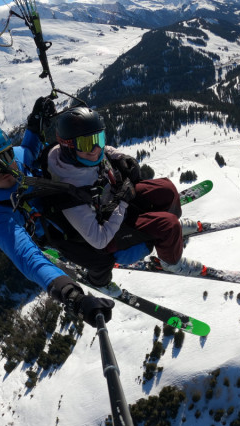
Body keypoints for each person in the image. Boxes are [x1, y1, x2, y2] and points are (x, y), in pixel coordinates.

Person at [0, 98, 114, 327]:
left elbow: (28, 150)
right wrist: (72, 296)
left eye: (7, 155)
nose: (7, 166)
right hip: (53, 235)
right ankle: (99, 276)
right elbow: (26, 256)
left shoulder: (16, 159)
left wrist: (35, 122)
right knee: (102, 255)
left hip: (59, 207)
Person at [43, 105, 203, 293]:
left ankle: (170, 235)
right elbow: (99, 239)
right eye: (87, 144)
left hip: (116, 203)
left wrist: (120, 157)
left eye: (99, 139)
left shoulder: (72, 155)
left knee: (166, 189)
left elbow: (103, 151)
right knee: (168, 225)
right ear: (68, 146)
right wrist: (123, 200)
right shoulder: (70, 190)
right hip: (109, 230)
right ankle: (170, 261)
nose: (96, 149)